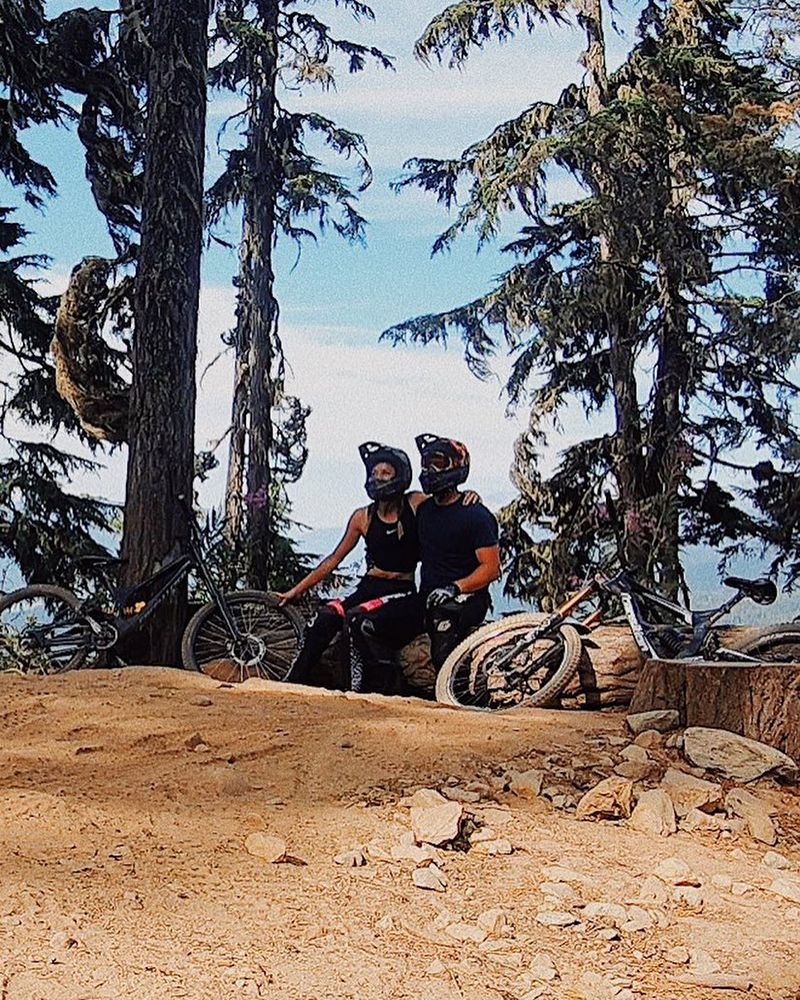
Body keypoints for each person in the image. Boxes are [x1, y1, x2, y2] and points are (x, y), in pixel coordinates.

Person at [278, 441, 478, 693]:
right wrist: (297, 590)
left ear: (400, 475)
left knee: (356, 620)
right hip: (369, 586)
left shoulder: (414, 504)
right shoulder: (363, 517)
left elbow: (446, 501)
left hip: (400, 589)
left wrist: (471, 495)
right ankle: (291, 683)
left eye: (386, 473)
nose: (378, 477)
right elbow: (333, 559)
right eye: (374, 473)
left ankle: (358, 690)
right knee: (327, 616)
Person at [413, 433, 501, 672]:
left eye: (438, 463)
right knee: (371, 623)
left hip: (467, 599)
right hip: (428, 596)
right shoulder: (423, 510)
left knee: (444, 622)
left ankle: (454, 698)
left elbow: (492, 568)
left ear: (457, 466)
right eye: (425, 463)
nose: (429, 470)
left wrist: (455, 587)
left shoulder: (476, 515)